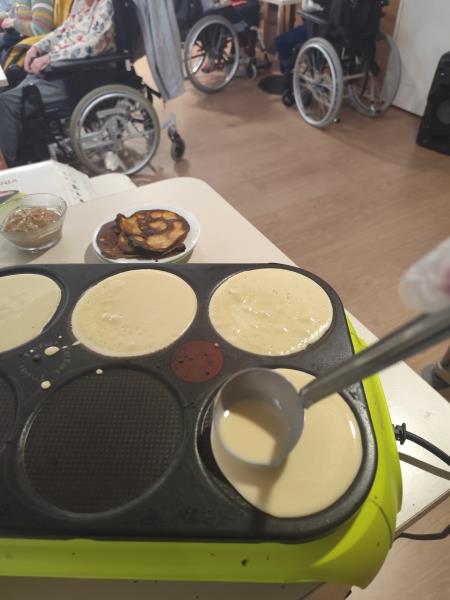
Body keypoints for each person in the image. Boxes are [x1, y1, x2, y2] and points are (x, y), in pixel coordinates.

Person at [0, 0, 116, 167]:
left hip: (77, 75)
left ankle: (8, 167)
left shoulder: (106, 5)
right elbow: (62, 31)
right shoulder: (82, 4)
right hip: (57, 69)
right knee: (9, 95)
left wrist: (49, 58)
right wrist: (37, 48)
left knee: (6, 102)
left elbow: (94, 45)